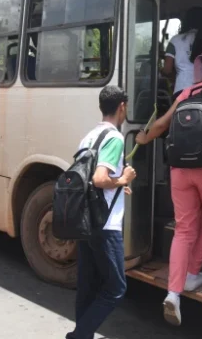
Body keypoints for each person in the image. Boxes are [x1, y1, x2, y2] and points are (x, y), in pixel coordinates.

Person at [136, 51, 202, 327]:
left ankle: (173, 293)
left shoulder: (188, 91)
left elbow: (163, 124)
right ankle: (192, 273)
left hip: (178, 168)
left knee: (184, 228)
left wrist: (143, 138)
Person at [67, 86, 137, 339]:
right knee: (115, 288)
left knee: (87, 286)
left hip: (87, 221)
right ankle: (78, 336)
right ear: (121, 107)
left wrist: (117, 186)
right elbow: (98, 179)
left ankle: (81, 334)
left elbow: (87, 178)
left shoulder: (89, 136)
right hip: (105, 224)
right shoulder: (115, 138)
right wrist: (123, 179)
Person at [162, 7, 202, 102]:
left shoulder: (175, 40)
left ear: (186, 21)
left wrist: (162, 71)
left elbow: (167, 70)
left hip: (181, 91)